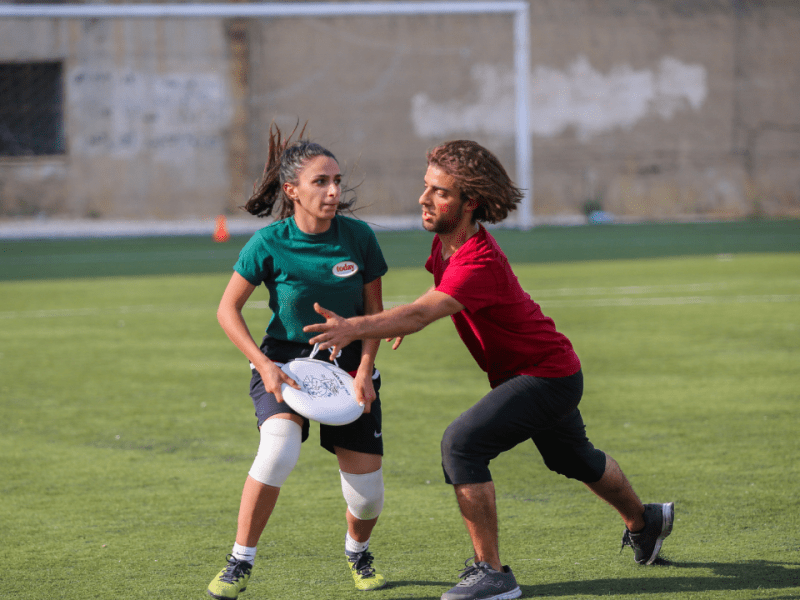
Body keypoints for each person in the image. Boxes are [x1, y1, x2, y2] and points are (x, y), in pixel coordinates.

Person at [304, 140, 674, 600]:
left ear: (470, 202)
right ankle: (645, 521)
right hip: (541, 370)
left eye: (440, 192)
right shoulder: (445, 244)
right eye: (426, 187)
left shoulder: (478, 260)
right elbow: (428, 302)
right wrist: (397, 319)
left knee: (462, 444)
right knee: (571, 458)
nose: (424, 198)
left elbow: (422, 313)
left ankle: (493, 574)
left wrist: (358, 326)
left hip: (546, 374)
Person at [207, 124, 389, 600]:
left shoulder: (359, 238)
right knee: (279, 449)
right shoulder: (268, 242)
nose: (333, 191)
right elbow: (227, 310)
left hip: (349, 365)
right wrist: (263, 365)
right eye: (320, 182)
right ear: (292, 190)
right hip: (284, 364)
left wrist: (365, 371)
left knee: (368, 496)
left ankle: (357, 551)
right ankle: (239, 561)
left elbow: (374, 314)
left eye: (336, 181)